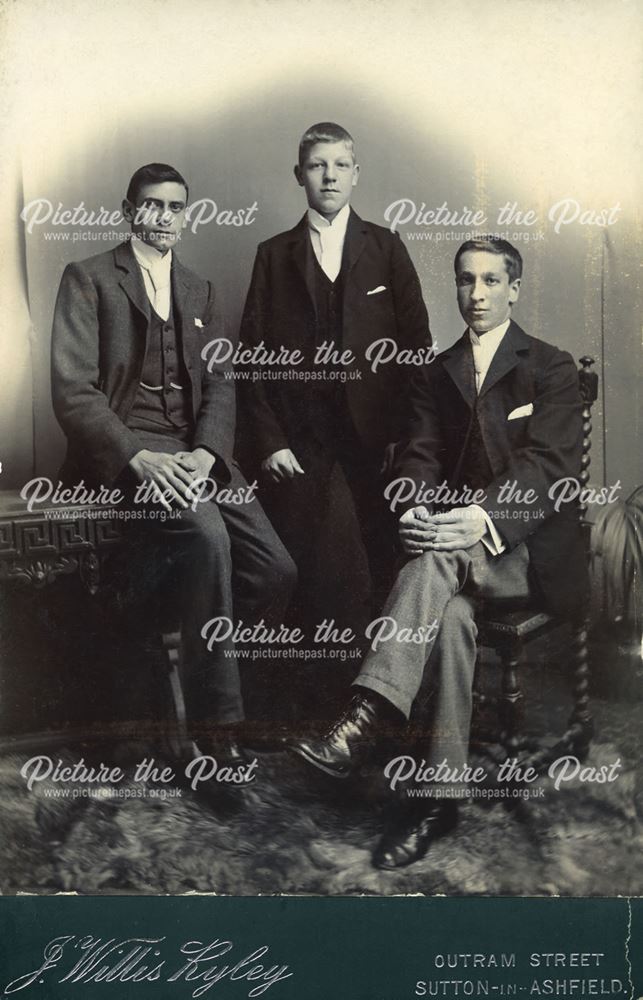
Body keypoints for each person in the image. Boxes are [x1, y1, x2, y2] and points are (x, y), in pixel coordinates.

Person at [289, 237, 589, 868]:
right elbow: (419, 454)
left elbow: (548, 469)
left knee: (435, 561)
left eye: (488, 281)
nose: (475, 295)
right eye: (463, 281)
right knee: (449, 619)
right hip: (452, 558)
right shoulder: (436, 370)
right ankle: (438, 800)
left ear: (513, 288)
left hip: (525, 552)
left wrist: (478, 520)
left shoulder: (553, 367)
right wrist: (418, 509)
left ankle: (366, 713)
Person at [51, 162, 295, 765]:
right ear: (128, 210)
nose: (164, 218)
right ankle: (217, 734)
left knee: (275, 570)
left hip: (195, 454)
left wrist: (207, 455)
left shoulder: (201, 291)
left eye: (175, 207)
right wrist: (137, 458)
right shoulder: (87, 279)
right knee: (210, 540)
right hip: (128, 454)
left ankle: (214, 684)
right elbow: (73, 392)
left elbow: (221, 384)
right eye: (152, 206)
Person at [237, 122, 431, 631]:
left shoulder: (387, 248)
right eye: (317, 165)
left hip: (375, 440)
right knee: (310, 569)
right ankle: (309, 694)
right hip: (300, 442)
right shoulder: (273, 255)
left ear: (356, 174)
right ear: (298, 174)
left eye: (340, 165)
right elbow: (251, 358)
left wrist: (405, 438)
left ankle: (377, 692)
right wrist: (270, 442)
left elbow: (417, 351)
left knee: (378, 560)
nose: (329, 176)